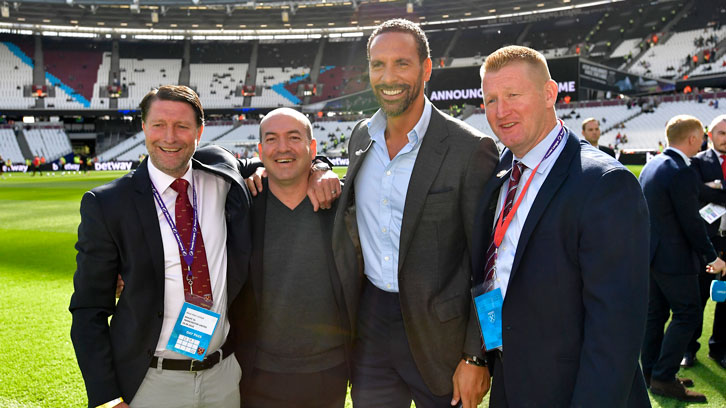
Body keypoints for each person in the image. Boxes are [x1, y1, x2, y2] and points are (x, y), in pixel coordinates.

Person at [69, 86, 338, 408]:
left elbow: (283, 156)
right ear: (143, 127)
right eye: (158, 125)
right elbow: (88, 309)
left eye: (182, 126)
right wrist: (107, 398)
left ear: (199, 131)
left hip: (224, 375)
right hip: (151, 381)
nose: (170, 137)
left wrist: (321, 168)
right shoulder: (108, 203)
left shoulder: (222, 172)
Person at [332, 19, 499, 408]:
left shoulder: (469, 149)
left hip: (443, 336)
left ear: (426, 69)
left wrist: (478, 353)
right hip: (371, 326)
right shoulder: (361, 136)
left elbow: (490, 263)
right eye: (378, 65)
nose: (388, 77)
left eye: (402, 64)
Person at [473, 45, 651, 406]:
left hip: (572, 390)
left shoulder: (604, 184)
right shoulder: (499, 171)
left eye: (512, 95)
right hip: (509, 380)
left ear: (549, 93)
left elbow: (615, 333)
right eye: (490, 99)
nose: (500, 111)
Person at [234, 108, 349, 408]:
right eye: (272, 139)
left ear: (312, 148)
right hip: (258, 373)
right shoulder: (242, 206)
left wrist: (323, 169)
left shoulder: (342, 204)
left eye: (293, 138)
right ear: (260, 152)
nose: (282, 147)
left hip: (329, 371)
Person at [640, 114, 726, 402]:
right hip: (675, 260)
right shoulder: (682, 170)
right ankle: (664, 377)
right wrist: (713, 257)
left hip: (653, 257)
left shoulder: (652, 165)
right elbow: (691, 223)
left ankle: (651, 373)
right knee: (688, 314)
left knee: (655, 316)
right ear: (693, 139)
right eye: (701, 137)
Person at [683, 114, 726, 370]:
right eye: (722, 133)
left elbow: (708, 192)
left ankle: (719, 348)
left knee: (725, 300)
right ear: (710, 135)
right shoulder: (697, 162)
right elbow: (696, 193)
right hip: (706, 243)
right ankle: (689, 348)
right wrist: (709, 190)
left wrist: (715, 190)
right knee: (698, 297)